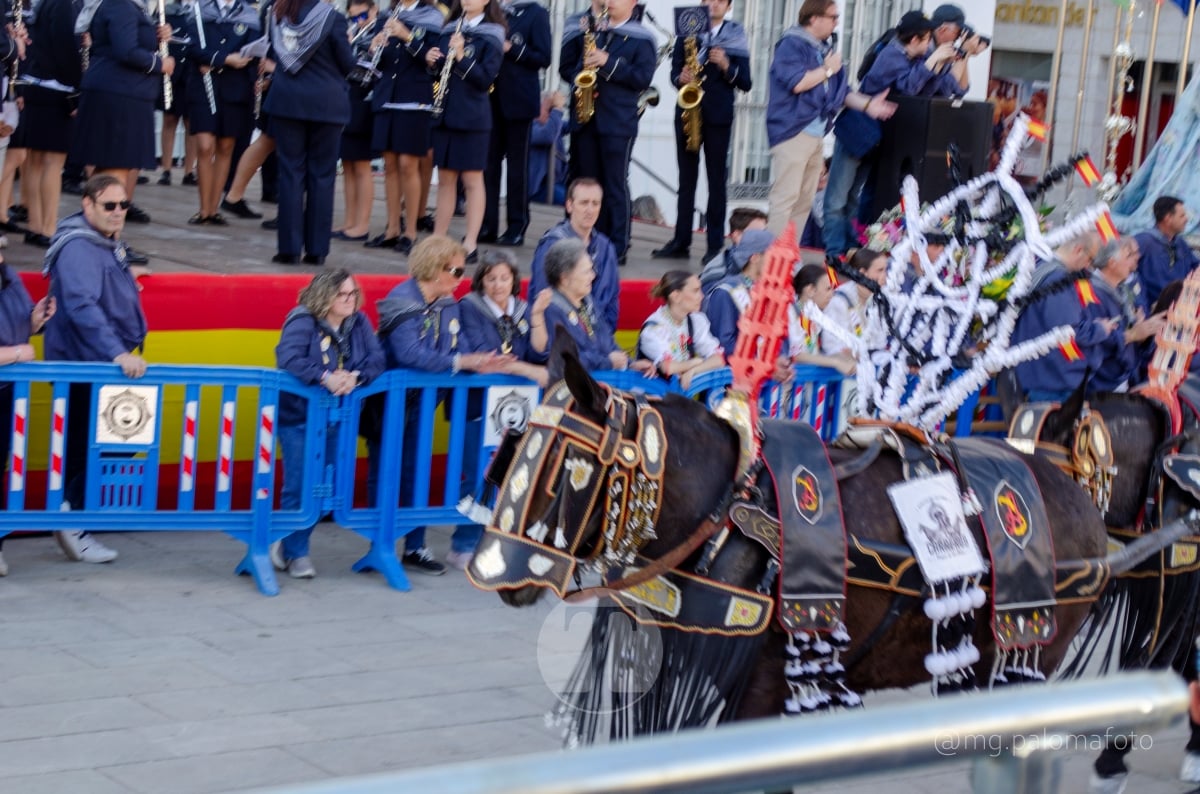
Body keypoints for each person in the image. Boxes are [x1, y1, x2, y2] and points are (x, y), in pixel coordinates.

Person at [375, 235, 514, 575]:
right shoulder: (401, 300)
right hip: (388, 405)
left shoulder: (448, 301)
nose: (460, 277)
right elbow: (410, 354)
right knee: (388, 472)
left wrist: (479, 360)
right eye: (454, 270)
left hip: (424, 404)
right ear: (434, 268)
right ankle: (379, 544)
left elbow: (461, 344)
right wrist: (462, 361)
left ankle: (415, 546)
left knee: (415, 472)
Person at [42, 173, 150, 564]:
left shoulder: (100, 243)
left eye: (123, 205)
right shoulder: (79, 248)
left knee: (113, 444)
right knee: (92, 449)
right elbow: (82, 306)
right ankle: (72, 521)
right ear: (87, 204)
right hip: (89, 365)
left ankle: (74, 519)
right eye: (109, 205)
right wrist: (116, 354)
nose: (119, 212)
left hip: (100, 364)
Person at [272, 269, 385, 578]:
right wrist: (326, 377)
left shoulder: (358, 322)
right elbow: (288, 357)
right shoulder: (302, 319)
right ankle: (296, 552)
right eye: (343, 295)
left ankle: (286, 539)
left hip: (338, 419)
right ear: (325, 296)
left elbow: (377, 359)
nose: (350, 300)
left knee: (326, 488)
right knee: (299, 485)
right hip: (298, 417)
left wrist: (355, 376)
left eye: (353, 294)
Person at [822, 10, 959, 258]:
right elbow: (908, 87)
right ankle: (834, 252)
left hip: (878, 138)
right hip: (859, 132)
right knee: (837, 198)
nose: (930, 45)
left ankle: (851, 249)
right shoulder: (890, 56)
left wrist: (940, 64)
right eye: (927, 39)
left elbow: (940, 90)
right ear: (914, 39)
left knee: (854, 197)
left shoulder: (916, 58)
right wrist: (930, 63)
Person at [765, 0, 894, 241]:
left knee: (804, 200)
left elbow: (843, 92)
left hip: (816, 134)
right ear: (814, 18)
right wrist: (826, 70)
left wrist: (869, 105)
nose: (837, 22)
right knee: (786, 197)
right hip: (793, 131)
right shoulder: (791, 44)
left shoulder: (825, 50)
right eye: (833, 17)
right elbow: (797, 83)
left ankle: (789, 255)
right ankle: (770, 257)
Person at [651, 0, 751, 263]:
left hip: (718, 116)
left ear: (728, 6)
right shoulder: (688, 31)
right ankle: (680, 240)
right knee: (686, 180)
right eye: (708, 0)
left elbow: (746, 82)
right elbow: (674, 73)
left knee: (716, 182)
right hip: (687, 113)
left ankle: (714, 244)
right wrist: (679, 78)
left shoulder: (735, 34)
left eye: (719, 1)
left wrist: (726, 64)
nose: (712, 4)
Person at [559, 0, 656, 261]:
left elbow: (642, 79)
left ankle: (618, 245)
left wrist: (607, 61)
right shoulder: (591, 30)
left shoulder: (643, 38)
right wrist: (583, 71)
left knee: (614, 184)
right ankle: (586, 239)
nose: (609, 2)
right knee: (584, 182)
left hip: (618, 121)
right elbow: (567, 68)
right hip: (586, 116)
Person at [262, 0, 354, 265]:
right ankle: (316, 249)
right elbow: (347, 64)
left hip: (287, 102)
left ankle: (288, 248)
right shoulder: (332, 18)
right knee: (322, 176)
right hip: (326, 104)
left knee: (290, 174)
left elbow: (276, 56)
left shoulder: (279, 14)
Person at [72, 0, 176, 228]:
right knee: (114, 171)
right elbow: (126, 51)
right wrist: (159, 64)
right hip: (119, 94)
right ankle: (107, 237)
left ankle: (101, 236)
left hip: (121, 92)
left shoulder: (127, 5)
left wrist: (156, 36)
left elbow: (128, 41)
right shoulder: (120, 4)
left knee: (107, 173)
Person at [425, 0, 506, 263]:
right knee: (446, 179)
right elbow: (438, 74)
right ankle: (439, 238)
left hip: (473, 116)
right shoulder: (449, 28)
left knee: (472, 180)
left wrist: (461, 56)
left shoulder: (493, 33)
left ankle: (470, 243)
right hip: (446, 113)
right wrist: (432, 61)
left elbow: (485, 79)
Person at [364, 0, 443, 254]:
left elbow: (434, 61)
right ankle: (391, 228)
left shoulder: (433, 18)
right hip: (387, 95)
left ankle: (410, 231)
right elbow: (380, 60)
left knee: (409, 164)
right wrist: (374, 46)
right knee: (389, 166)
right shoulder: (387, 15)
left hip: (414, 97)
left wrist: (407, 36)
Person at [12, 0, 83, 249]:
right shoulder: (63, 5)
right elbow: (65, 48)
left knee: (35, 161)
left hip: (35, 84)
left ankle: (34, 224)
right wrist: (78, 85)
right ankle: (49, 227)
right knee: (53, 162)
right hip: (56, 88)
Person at [0, 256, 55, 576]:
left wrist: (35, 319)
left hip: (6, 389)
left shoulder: (7, 274)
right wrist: (20, 353)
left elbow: (21, 325)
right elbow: (19, 347)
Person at [480, 0, 551, 247]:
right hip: (490, 98)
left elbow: (544, 57)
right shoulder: (493, 10)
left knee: (517, 168)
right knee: (488, 166)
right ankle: (487, 224)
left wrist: (513, 49)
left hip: (519, 100)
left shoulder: (536, 13)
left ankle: (516, 226)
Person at [184, 0, 260, 226]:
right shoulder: (198, 10)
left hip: (235, 89)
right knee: (205, 146)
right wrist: (224, 59)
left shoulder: (249, 14)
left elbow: (250, 53)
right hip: (203, 87)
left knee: (226, 147)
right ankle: (203, 210)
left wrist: (215, 61)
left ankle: (214, 210)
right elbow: (192, 48)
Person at [1011, 232, 1106, 402]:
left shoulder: (1040, 265)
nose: (1089, 267)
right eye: (1090, 259)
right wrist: (1100, 329)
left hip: (1033, 374)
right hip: (1050, 381)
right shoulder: (1059, 279)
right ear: (1078, 250)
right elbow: (1069, 331)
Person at [536, 237, 648, 372]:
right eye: (586, 272)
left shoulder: (587, 302)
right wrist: (607, 362)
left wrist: (629, 363)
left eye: (592, 269)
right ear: (564, 278)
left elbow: (608, 344)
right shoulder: (550, 309)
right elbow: (561, 360)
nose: (593, 276)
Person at [528, 177, 619, 331]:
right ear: (569, 205)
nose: (590, 210)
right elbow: (543, 296)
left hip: (599, 339)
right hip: (559, 338)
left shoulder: (606, 248)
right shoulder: (552, 245)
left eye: (595, 203)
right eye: (584, 203)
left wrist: (601, 340)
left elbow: (612, 301)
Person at [1086, 238, 1165, 393]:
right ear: (1112, 263)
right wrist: (1132, 335)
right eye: (1128, 256)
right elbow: (1092, 340)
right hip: (1105, 383)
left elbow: (1134, 331)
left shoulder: (1121, 288)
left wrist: (1143, 331)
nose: (1134, 261)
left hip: (1126, 375)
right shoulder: (1092, 295)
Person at [457, 249, 549, 383]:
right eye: (491, 279)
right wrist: (526, 370)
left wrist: (537, 316)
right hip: (482, 388)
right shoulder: (469, 307)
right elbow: (484, 357)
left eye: (504, 279)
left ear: (513, 280)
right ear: (481, 281)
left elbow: (538, 356)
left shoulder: (523, 308)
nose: (498, 285)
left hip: (522, 391)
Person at [703, 227, 783, 357]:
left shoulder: (770, 291)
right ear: (755, 258)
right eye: (773, 256)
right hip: (737, 372)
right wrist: (761, 363)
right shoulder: (725, 292)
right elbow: (724, 344)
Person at [636, 270, 724, 389]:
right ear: (676, 296)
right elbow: (669, 368)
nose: (701, 296)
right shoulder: (654, 328)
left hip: (680, 398)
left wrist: (694, 370)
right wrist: (694, 362)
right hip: (653, 397)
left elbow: (718, 359)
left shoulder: (694, 321)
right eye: (695, 291)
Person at [1133, 195, 1199, 309]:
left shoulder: (1179, 242)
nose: (1187, 219)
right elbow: (1128, 276)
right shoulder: (1143, 242)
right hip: (1157, 309)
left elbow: (1195, 265)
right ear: (1168, 218)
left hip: (1184, 306)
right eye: (1182, 215)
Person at [821, 246, 887, 357]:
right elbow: (831, 346)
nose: (885, 276)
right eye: (880, 270)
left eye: (886, 270)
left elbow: (881, 340)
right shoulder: (839, 301)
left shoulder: (878, 298)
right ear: (862, 273)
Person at [789, 263, 854, 373]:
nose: (831, 295)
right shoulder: (791, 312)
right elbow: (797, 355)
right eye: (827, 289)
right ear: (810, 290)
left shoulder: (814, 315)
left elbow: (813, 352)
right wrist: (836, 362)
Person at [699, 205, 768, 293]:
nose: (765, 237)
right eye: (758, 234)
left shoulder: (763, 259)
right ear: (737, 236)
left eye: (765, 232)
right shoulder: (718, 276)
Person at [528, 90, 567, 205]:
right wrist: (557, 109)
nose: (551, 114)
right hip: (539, 188)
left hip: (558, 183)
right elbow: (548, 135)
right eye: (548, 109)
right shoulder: (530, 128)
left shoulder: (554, 124)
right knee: (571, 202)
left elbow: (572, 125)